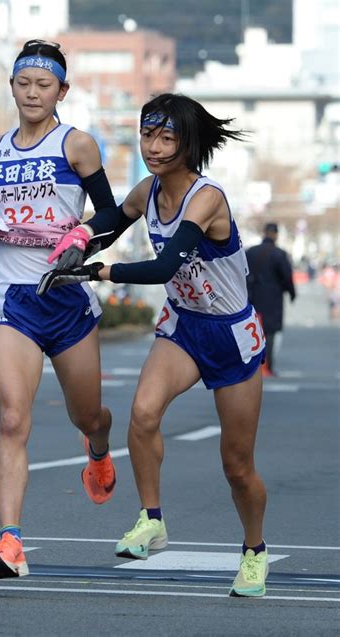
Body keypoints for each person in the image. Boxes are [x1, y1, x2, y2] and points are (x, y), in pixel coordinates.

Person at [40, 93, 270, 597]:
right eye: (148, 135)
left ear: (189, 144)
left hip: (230, 334)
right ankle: (152, 519)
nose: (155, 147)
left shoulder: (206, 197)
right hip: (185, 325)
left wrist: (98, 270)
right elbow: (111, 221)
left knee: (237, 464)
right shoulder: (147, 190)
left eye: (167, 138)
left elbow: (164, 268)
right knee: (142, 414)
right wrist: (78, 236)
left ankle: (254, 549)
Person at [0, 40, 116, 581]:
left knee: (86, 414)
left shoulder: (78, 145)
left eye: (45, 85)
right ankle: (10, 542)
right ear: (13, 88)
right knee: (13, 417)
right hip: (13, 297)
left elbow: (112, 215)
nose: (33, 93)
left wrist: (83, 235)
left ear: (61, 91)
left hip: (65, 295)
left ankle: (98, 448)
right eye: (25, 84)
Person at [246, 223, 296, 376]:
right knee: (270, 333)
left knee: (251, 331)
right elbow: (287, 277)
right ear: (275, 234)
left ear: (264, 232)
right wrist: (292, 293)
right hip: (272, 300)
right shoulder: (279, 254)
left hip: (252, 298)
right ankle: (267, 366)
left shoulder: (250, 252)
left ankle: (250, 366)